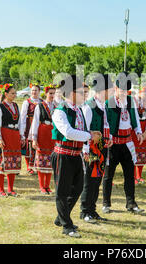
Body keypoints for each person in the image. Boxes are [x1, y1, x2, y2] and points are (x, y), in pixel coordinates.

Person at [51, 74, 102, 238]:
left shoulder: (79, 110)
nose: (85, 95)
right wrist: (89, 135)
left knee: (78, 188)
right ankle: (67, 225)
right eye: (82, 92)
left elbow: (82, 131)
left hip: (76, 155)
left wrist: (89, 137)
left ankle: (61, 218)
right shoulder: (60, 111)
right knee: (62, 191)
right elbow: (69, 132)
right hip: (63, 155)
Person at [102, 72, 145, 215]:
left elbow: (135, 119)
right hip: (113, 143)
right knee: (109, 175)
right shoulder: (109, 103)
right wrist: (109, 137)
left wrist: (138, 131)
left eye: (126, 91)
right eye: (121, 90)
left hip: (127, 142)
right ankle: (106, 203)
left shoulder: (131, 101)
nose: (123, 93)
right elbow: (106, 121)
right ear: (115, 88)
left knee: (129, 175)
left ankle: (131, 203)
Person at [80, 74, 113, 224]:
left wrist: (109, 136)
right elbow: (85, 129)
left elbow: (105, 124)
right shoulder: (89, 106)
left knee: (97, 179)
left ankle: (92, 210)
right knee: (90, 179)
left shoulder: (102, 105)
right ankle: (85, 211)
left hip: (101, 146)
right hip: (92, 148)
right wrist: (86, 149)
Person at [0, 83, 24, 197]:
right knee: (2, 163)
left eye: (15, 93)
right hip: (5, 135)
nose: (14, 95)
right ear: (6, 94)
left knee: (13, 162)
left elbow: (20, 122)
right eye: (12, 93)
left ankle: (11, 189)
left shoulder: (16, 106)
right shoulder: (0, 107)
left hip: (14, 135)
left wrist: (21, 136)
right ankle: (1, 190)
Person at [30, 84, 57, 194]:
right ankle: (42, 186)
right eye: (50, 93)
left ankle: (47, 185)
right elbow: (35, 122)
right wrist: (34, 138)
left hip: (53, 134)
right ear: (46, 94)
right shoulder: (40, 106)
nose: (52, 95)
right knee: (42, 159)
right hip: (43, 132)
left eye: (54, 93)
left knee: (51, 160)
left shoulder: (57, 106)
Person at [20, 83, 42, 175]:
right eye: (32, 90)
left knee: (37, 145)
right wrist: (23, 128)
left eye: (36, 90)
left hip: (39, 124)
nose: (34, 92)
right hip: (29, 124)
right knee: (29, 146)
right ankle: (29, 166)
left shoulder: (42, 102)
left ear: (39, 91)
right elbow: (22, 116)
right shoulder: (27, 102)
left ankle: (36, 165)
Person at [132, 86, 146, 184]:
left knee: (142, 152)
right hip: (135, 127)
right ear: (140, 92)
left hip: (144, 127)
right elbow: (133, 116)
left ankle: (139, 175)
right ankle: (133, 176)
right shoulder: (133, 100)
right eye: (145, 92)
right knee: (134, 152)